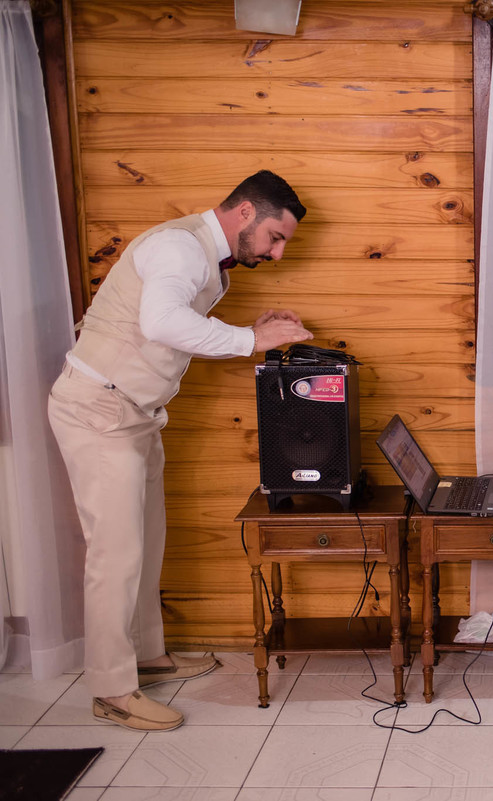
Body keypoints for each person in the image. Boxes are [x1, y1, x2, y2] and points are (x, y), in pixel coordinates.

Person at [48, 170, 314, 731]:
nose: (277, 252)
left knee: (144, 541)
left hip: (134, 413)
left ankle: (147, 657)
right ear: (245, 212)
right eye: (275, 237)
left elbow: (175, 321)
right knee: (114, 556)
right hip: (100, 409)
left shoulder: (203, 256)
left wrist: (248, 327)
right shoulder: (178, 248)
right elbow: (163, 321)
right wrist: (249, 341)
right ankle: (112, 690)